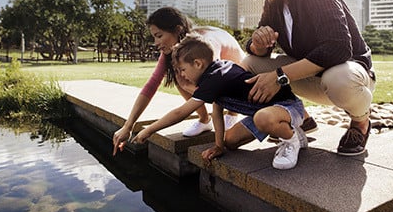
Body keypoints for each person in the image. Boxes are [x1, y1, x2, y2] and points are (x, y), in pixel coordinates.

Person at [243, 0, 376, 156]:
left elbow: (338, 48)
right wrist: (256, 44)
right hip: (308, 76)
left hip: (348, 77)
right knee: (248, 64)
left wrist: (279, 77)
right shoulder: (273, 3)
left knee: (338, 78)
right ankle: (301, 118)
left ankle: (361, 122)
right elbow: (257, 48)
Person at [132, 33, 307, 170]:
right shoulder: (214, 75)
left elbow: (181, 112)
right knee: (229, 141)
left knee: (263, 118)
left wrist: (149, 130)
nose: (182, 75)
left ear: (198, 63)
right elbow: (216, 111)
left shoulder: (216, 77)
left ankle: (291, 141)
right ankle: (293, 132)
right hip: (265, 113)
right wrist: (218, 146)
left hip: (288, 108)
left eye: (183, 69)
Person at [112, 7, 245, 155]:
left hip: (239, 71)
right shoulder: (175, 52)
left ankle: (233, 114)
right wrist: (128, 126)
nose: (155, 43)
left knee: (206, 86)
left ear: (177, 30)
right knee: (178, 75)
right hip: (218, 81)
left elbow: (186, 110)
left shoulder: (204, 47)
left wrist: (148, 131)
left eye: (159, 36)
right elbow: (151, 86)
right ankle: (204, 120)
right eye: (154, 37)